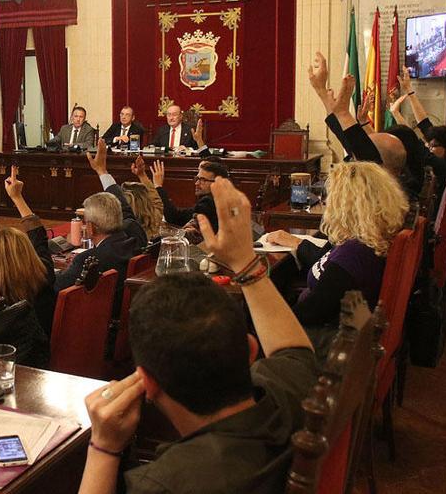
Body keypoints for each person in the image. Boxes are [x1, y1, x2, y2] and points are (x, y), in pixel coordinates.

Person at [77, 178, 319, 494]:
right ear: (249, 350)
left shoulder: (161, 483)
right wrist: (244, 260)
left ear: (148, 385)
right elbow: (294, 351)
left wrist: (103, 449)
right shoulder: (297, 395)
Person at [265, 161, 408, 353]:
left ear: (345, 204)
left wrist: (267, 317)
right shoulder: (369, 241)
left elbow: (312, 312)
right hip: (343, 330)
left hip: (333, 341)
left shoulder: (354, 253)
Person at [308, 52, 422, 198]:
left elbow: (365, 153)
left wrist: (343, 113)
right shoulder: (393, 184)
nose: (354, 158)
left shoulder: (391, 196)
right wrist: (321, 91)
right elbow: (350, 140)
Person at [55, 140, 146, 293]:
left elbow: (56, 288)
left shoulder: (88, 260)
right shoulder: (137, 235)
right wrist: (102, 171)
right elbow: (125, 209)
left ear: (90, 227)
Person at [0, 166, 57, 336]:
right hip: (45, 348)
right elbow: (39, 239)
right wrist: (17, 197)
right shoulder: (45, 275)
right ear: (27, 251)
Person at [390, 67, 446, 208]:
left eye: (433, 146)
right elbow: (425, 125)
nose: (428, 147)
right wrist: (409, 91)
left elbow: (412, 140)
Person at [151, 158, 228, 237]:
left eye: (203, 180)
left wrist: (158, 186)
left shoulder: (209, 202)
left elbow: (174, 218)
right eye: (197, 179)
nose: (197, 183)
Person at [122, 155, 164, 239]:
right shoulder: (155, 220)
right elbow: (156, 202)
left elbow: (157, 202)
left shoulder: (119, 231)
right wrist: (142, 175)